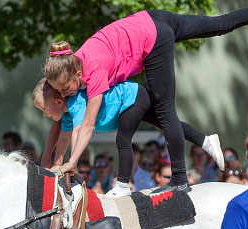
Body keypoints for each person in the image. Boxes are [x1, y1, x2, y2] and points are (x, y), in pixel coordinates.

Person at [42, 2, 248, 190]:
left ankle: (179, 178)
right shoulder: (71, 62)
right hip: (151, 17)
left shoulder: (94, 69)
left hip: (152, 39)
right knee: (221, 24)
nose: (67, 95)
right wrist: (47, 163)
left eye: (67, 89)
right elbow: (61, 120)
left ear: (76, 75)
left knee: (165, 111)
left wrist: (71, 162)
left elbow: (87, 125)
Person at [35, 79, 221, 197]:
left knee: (123, 139)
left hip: (131, 97)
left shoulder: (76, 104)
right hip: (132, 97)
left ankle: (123, 184)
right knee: (169, 125)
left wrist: (71, 162)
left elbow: (77, 133)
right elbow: (63, 140)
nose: (44, 115)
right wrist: (57, 166)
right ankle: (205, 141)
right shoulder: (66, 114)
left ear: (59, 102)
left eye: (44, 109)